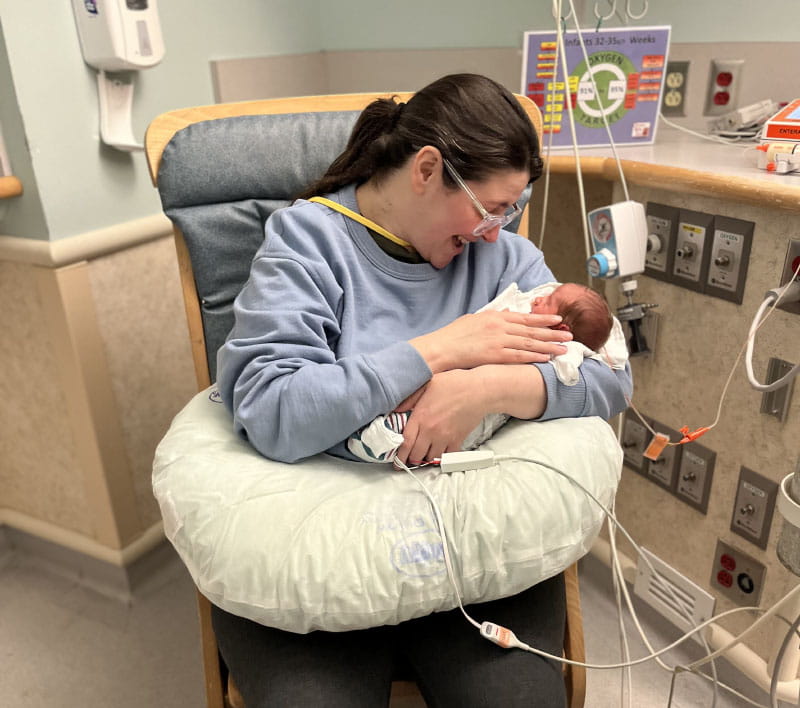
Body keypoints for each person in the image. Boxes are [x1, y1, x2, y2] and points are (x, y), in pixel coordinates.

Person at [214, 73, 632, 707]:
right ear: (428, 169)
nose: (496, 230)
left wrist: (486, 388)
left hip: (468, 555)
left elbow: (609, 373)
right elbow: (273, 408)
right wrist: (441, 350)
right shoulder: (307, 242)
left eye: (511, 209)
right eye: (489, 208)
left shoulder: (505, 260)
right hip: (325, 556)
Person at [347, 281, 619, 464]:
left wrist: (487, 386)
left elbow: (601, 379)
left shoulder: (562, 350)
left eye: (549, 301)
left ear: (562, 330)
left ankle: (385, 440)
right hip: (448, 379)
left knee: (435, 429)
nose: (538, 297)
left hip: (480, 416)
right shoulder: (522, 315)